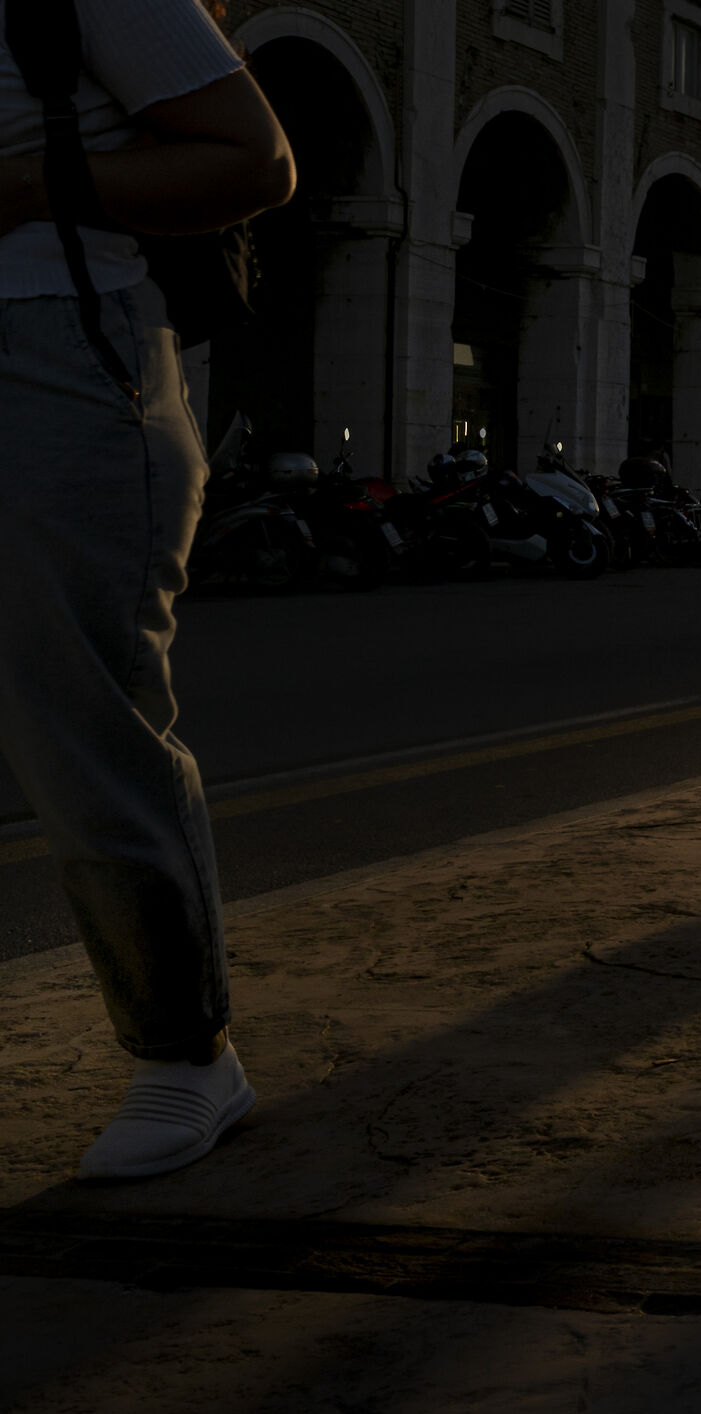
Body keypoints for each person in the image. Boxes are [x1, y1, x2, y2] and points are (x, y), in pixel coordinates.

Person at [0, 0, 296, 1178]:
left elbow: (253, 158)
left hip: (51, 349)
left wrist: (29, 185)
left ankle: (186, 1054)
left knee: (82, 727)